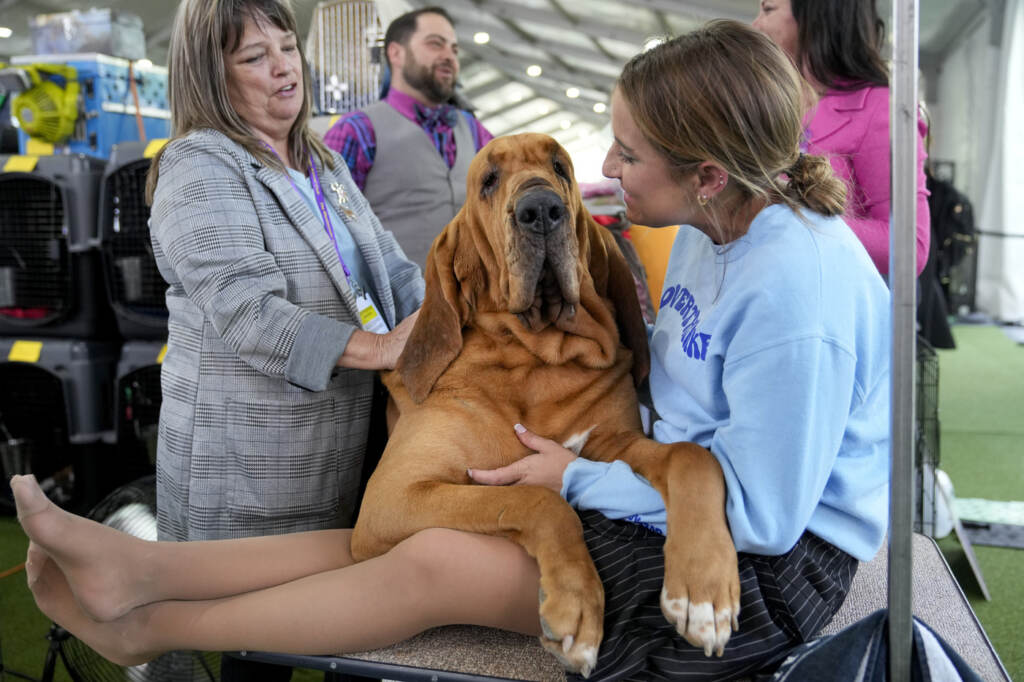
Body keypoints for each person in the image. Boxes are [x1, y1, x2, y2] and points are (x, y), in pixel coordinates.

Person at [13, 21, 890, 681]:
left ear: (707, 173)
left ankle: (151, 626)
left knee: (428, 559)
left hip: (762, 563)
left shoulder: (795, 288)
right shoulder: (703, 229)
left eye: (625, 153)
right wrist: (442, 358)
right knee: (383, 531)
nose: (606, 172)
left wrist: (570, 480)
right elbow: (672, 403)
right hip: (664, 496)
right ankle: (145, 568)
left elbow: (762, 512)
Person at [145, 0, 423, 677]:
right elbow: (249, 314)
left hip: (333, 457)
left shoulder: (320, 165)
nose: (283, 70)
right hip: (248, 476)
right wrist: (383, 349)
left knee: (335, 635)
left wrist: (456, 317)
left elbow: (393, 273)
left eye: (288, 48)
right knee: (256, 650)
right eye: (253, 57)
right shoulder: (198, 167)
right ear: (211, 77)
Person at [754, 0, 931, 277]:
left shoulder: (882, 109)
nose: (756, 25)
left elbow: (909, 250)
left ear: (815, 13)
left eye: (768, 10)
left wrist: (791, 217)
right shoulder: (779, 103)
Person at [323, 7, 493, 268]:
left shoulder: (473, 129)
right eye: (436, 44)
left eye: (454, 49)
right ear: (396, 53)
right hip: (400, 304)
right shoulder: (356, 130)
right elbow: (327, 228)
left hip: (477, 301)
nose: (449, 56)